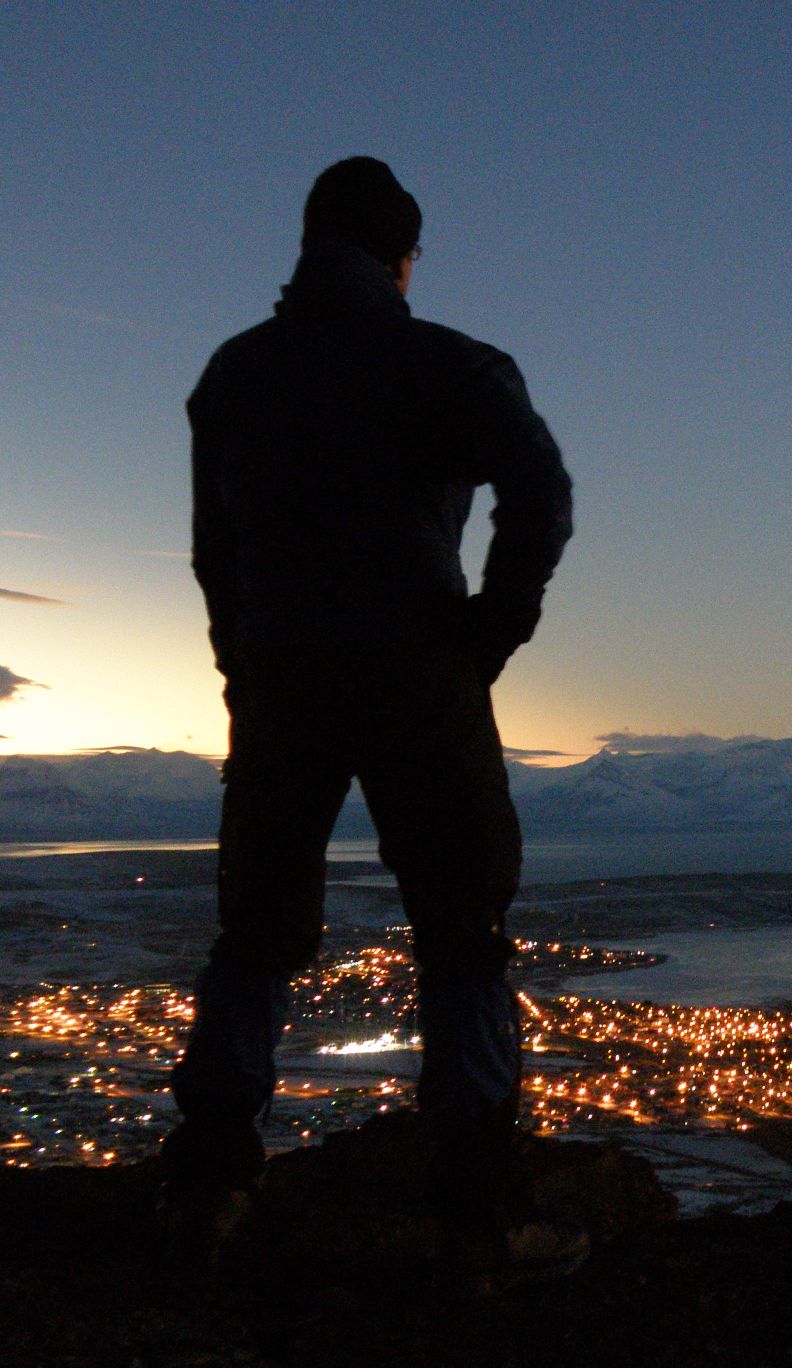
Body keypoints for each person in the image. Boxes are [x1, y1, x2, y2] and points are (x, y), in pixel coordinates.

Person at [161, 156, 576, 1289]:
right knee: (462, 930)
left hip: (284, 672)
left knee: (254, 931)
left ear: (306, 247)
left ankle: (209, 1187)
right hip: (417, 671)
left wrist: (240, 657)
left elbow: (214, 548)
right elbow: (541, 493)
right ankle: (480, 1217)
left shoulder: (237, 374)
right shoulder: (448, 364)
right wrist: (489, 632)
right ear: (402, 257)